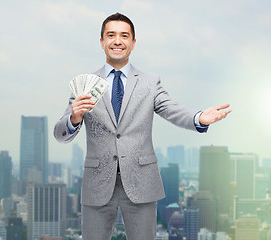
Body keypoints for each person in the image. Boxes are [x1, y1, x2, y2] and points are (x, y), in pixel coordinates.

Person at [54, 12, 231, 240]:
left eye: (124, 36)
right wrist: (74, 118)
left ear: (133, 43)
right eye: (111, 35)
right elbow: (60, 134)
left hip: (141, 181)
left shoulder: (150, 82)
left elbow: (172, 109)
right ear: (101, 42)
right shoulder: (85, 85)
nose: (118, 41)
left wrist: (199, 118)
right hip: (97, 184)